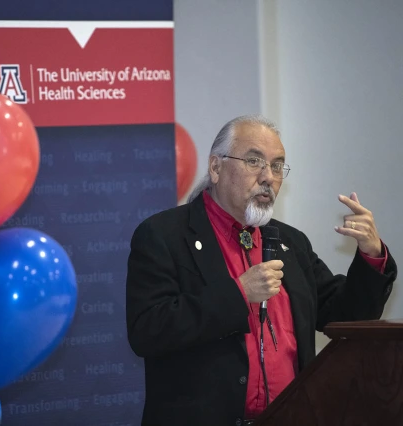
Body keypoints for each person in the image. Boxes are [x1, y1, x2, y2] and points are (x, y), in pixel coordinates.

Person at [125, 115, 397, 426]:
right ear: (216, 167)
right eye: (254, 161)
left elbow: (346, 316)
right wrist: (238, 295)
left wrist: (372, 255)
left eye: (278, 166)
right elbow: (147, 331)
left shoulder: (290, 242)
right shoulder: (164, 235)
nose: (268, 176)